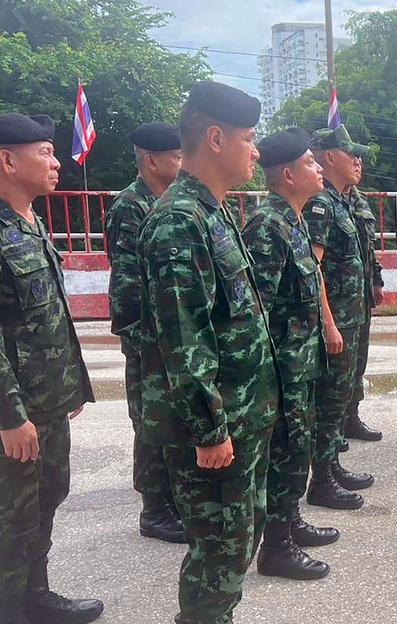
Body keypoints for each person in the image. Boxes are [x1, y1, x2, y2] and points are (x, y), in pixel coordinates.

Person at [137, 81, 279, 622]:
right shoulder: (180, 221)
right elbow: (184, 339)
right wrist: (209, 429)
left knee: (236, 544)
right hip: (216, 428)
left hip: (241, 417)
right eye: (249, 139)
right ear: (216, 138)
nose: (255, 152)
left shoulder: (212, 212)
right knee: (217, 553)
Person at [0, 112, 101, 624]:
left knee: (45, 501)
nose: (57, 163)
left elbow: (44, 318)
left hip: (46, 402)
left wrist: (66, 390)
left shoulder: (28, 222)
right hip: (8, 413)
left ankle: (35, 597)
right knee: (9, 518)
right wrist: (9, 416)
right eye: (45, 153)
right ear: (8, 160)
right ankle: (7, 615)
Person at [242, 127, 340, 580]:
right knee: (284, 453)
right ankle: (276, 548)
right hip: (280, 371)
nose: (318, 168)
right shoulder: (268, 227)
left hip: (300, 364)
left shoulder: (293, 220)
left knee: (296, 449)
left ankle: (289, 522)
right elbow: (255, 311)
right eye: (309, 163)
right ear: (287, 175)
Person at [104, 122, 185, 544]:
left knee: (172, 416)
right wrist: (142, 341)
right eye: (177, 157)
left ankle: (172, 498)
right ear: (152, 161)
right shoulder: (130, 206)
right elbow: (127, 282)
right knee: (151, 419)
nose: (184, 164)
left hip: (166, 334)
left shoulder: (168, 201)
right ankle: (154, 509)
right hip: (145, 337)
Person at [303, 124, 375, 510]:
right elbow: (313, 268)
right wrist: (328, 323)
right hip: (337, 320)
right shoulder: (321, 204)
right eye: (352, 154)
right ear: (330, 158)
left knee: (341, 396)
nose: (358, 160)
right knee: (329, 401)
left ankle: (330, 466)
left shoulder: (344, 200)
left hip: (353, 314)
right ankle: (321, 481)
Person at [343, 188, 385, 444]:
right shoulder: (321, 201)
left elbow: (368, 248)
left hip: (360, 299)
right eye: (353, 165)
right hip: (338, 304)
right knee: (338, 370)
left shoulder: (357, 201)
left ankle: (351, 418)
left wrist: (376, 280)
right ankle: (333, 428)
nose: (357, 167)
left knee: (357, 363)